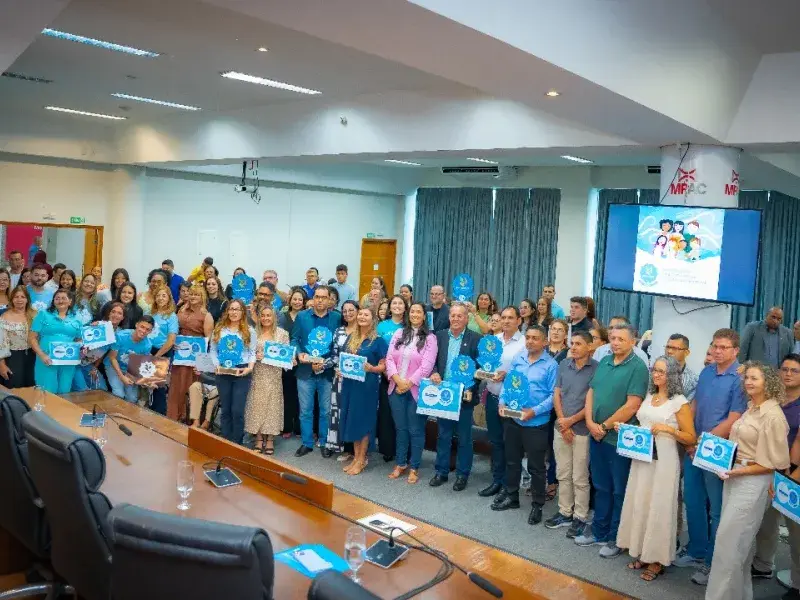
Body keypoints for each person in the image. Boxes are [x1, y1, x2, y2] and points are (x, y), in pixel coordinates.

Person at [706, 362, 791, 600]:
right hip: (734, 477)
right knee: (736, 547)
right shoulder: (752, 408)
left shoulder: (773, 416)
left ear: (768, 383)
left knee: (729, 546)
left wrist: (736, 472)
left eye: (755, 378)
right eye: (747, 378)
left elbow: (772, 463)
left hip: (752, 483)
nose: (749, 382)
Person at [674, 328, 748, 586]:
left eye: (724, 347)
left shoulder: (740, 379)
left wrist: (702, 442)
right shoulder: (706, 372)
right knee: (692, 501)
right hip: (694, 446)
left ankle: (712, 562)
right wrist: (689, 436)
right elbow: (694, 407)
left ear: (735, 351)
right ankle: (696, 550)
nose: (717, 351)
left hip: (717, 451)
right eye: (715, 346)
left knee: (717, 509)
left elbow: (734, 418)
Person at [615, 356, 696, 581]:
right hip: (642, 458)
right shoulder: (650, 396)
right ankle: (643, 550)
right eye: (655, 370)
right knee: (640, 501)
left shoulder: (679, 402)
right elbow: (643, 425)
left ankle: (658, 559)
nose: (657, 375)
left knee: (659, 506)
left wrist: (669, 430)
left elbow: (691, 437)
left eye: (661, 371)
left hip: (665, 460)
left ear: (671, 374)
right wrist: (624, 428)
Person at [575, 324, 649, 558]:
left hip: (619, 438)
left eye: (620, 339)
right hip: (596, 434)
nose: (615, 342)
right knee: (601, 486)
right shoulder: (605, 361)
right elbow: (591, 392)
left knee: (619, 490)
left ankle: (616, 537)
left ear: (633, 342)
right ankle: (598, 531)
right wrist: (589, 422)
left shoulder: (638, 367)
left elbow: (632, 405)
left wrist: (604, 426)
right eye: (613, 338)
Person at [491, 325, 557, 526]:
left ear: (544, 342)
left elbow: (554, 396)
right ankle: (512, 496)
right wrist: (502, 402)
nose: (529, 341)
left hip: (535, 423)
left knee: (537, 467)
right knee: (512, 460)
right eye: (527, 337)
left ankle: (537, 504)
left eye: (535, 338)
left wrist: (534, 411)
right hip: (513, 419)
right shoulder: (519, 359)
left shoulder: (551, 365)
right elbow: (508, 385)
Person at [545, 330, 598, 538]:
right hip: (562, 429)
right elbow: (557, 394)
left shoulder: (596, 369)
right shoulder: (563, 365)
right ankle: (565, 512)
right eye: (572, 343)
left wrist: (571, 421)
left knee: (580, 477)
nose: (573, 347)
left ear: (589, 347)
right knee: (563, 473)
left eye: (578, 344)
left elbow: (592, 403)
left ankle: (580, 516)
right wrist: (563, 422)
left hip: (583, 431)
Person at [752, 353, 800, 580]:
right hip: (766, 468)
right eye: (785, 369)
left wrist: (789, 474)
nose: (788, 374)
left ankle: (797, 581)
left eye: (795, 370)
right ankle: (762, 565)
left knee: (795, 531)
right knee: (766, 523)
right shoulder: (771, 399)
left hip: (793, 473)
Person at [428, 303, 481, 491]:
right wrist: (434, 372)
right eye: (453, 315)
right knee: (443, 435)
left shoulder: (475, 339)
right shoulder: (439, 336)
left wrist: (471, 387)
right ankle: (441, 471)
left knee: (464, 437)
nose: (456, 319)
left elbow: (480, 369)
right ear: (449, 317)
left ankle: (462, 474)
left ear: (467, 318)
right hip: (445, 394)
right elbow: (432, 360)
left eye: (460, 316)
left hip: (464, 397)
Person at [385, 301, 437, 484]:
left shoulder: (430, 338)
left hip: (415, 391)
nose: (415, 314)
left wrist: (408, 383)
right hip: (395, 387)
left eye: (419, 312)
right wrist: (397, 379)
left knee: (416, 430)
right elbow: (389, 358)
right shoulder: (399, 333)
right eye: (413, 311)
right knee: (401, 429)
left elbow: (427, 366)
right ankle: (400, 463)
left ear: (424, 316)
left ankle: (414, 466)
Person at [479, 306, 526, 498]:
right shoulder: (494, 340)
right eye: (503, 318)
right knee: (496, 442)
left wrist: (507, 375)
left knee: (511, 445)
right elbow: (484, 365)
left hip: (511, 403)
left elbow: (526, 372)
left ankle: (510, 485)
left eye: (510, 318)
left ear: (519, 321)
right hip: (492, 397)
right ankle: (497, 481)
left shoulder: (524, 343)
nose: (506, 321)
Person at [291, 286, 342, 457]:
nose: (320, 300)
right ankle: (307, 443)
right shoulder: (302, 316)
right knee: (305, 410)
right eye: (317, 297)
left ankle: (324, 441)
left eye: (323, 297)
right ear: (313, 299)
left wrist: (327, 364)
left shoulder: (337, 318)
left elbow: (340, 343)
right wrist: (299, 353)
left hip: (327, 372)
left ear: (329, 300)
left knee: (326, 410)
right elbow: (294, 339)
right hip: (305, 370)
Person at [337, 307, 388, 475]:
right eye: (360, 314)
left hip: (367, 386)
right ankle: (356, 457)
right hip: (350, 385)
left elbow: (384, 366)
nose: (362, 317)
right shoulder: (352, 337)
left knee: (363, 421)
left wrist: (372, 368)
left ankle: (361, 459)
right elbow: (343, 359)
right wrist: (340, 369)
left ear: (373, 319)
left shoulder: (378, 340)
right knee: (352, 419)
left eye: (366, 314)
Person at [209, 299, 257, 445]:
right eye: (231, 309)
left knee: (237, 410)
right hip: (223, 371)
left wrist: (249, 367)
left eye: (237, 309)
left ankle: (237, 443)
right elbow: (213, 350)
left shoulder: (249, 331)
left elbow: (252, 352)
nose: (234, 312)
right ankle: (225, 440)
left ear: (243, 312)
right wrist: (217, 365)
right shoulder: (219, 329)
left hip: (241, 372)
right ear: (227, 311)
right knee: (226, 409)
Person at [245, 305, 289, 455]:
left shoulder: (282, 334)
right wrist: (254, 356)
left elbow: (286, 357)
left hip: (274, 376)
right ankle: (258, 438)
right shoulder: (253, 333)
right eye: (263, 315)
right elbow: (247, 353)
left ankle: (270, 439)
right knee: (257, 406)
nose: (265, 318)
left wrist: (267, 357)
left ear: (274, 317)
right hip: (257, 374)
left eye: (268, 315)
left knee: (272, 406)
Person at [167, 284, 214, 422]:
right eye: (191, 294)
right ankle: (174, 416)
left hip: (195, 357)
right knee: (176, 386)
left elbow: (208, 341)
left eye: (197, 295)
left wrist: (202, 363)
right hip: (180, 354)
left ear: (202, 297)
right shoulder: (181, 309)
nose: (193, 297)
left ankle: (190, 419)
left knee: (191, 386)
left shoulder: (206, 315)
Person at [28, 289, 81, 394]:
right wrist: (41, 355)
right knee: (46, 391)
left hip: (68, 361)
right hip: (46, 359)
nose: (60, 301)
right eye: (57, 298)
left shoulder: (77, 319)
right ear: (53, 301)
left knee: (64, 390)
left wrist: (79, 348)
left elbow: (80, 339)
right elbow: (32, 338)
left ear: (70, 301)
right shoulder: (43, 314)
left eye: (63, 298)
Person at [324, 299, 359, 459]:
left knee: (353, 413)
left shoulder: (363, 332)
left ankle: (353, 450)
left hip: (357, 381)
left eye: (351, 310)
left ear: (358, 311)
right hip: (339, 378)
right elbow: (334, 356)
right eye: (344, 311)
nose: (348, 313)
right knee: (337, 412)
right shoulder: (338, 331)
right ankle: (336, 444)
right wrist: (323, 365)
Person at [73, 301, 124, 392]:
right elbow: (78, 341)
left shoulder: (119, 334)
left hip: (88, 364)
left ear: (122, 317)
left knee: (102, 390)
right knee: (82, 390)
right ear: (109, 314)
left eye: (119, 313)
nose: (115, 315)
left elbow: (103, 353)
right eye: (113, 311)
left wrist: (95, 367)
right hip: (75, 362)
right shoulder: (98, 325)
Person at [105, 315, 155, 403]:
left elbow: (141, 365)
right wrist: (121, 376)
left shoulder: (148, 345)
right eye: (142, 327)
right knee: (119, 394)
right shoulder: (121, 336)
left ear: (150, 331)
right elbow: (112, 358)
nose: (143, 331)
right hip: (113, 365)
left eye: (147, 329)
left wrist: (146, 381)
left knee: (132, 398)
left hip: (130, 370)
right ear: (136, 325)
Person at [279, 287, 306, 439]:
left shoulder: (306, 317)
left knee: (300, 396)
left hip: (302, 361)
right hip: (286, 362)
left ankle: (299, 427)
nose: (297, 302)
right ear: (290, 300)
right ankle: (287, 426)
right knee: (287, 394)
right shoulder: (282, 316)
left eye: (300, 300)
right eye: (294, 299)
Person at [147, 284, 178, 414]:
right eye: (158, 295)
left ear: (169, 298)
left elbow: (171, 340)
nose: (160, 298)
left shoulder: (172, 316)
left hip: (162, 352)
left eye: (163, 295)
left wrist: (157, 356)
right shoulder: (150, 313)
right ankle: (150, 411)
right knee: (147, 383)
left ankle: (159, 415)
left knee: (159, 386)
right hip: (148, 351)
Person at [0, 286, 36, 388]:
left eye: (22, 297)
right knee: (15, 388)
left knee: (32, 388)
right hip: (12, 358)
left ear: (27, 299)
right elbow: (1, 343)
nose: (19, 300)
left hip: (33, 357)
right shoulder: (4, 317)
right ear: (12, 299)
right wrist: (1, 365)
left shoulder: (35, 315)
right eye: (16, 297)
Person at [664, 333, 699, 400]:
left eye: (674, 348)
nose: (669, 351)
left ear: (686, 352)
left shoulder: (693, 380)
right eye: (668, 347)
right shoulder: (656, 371)